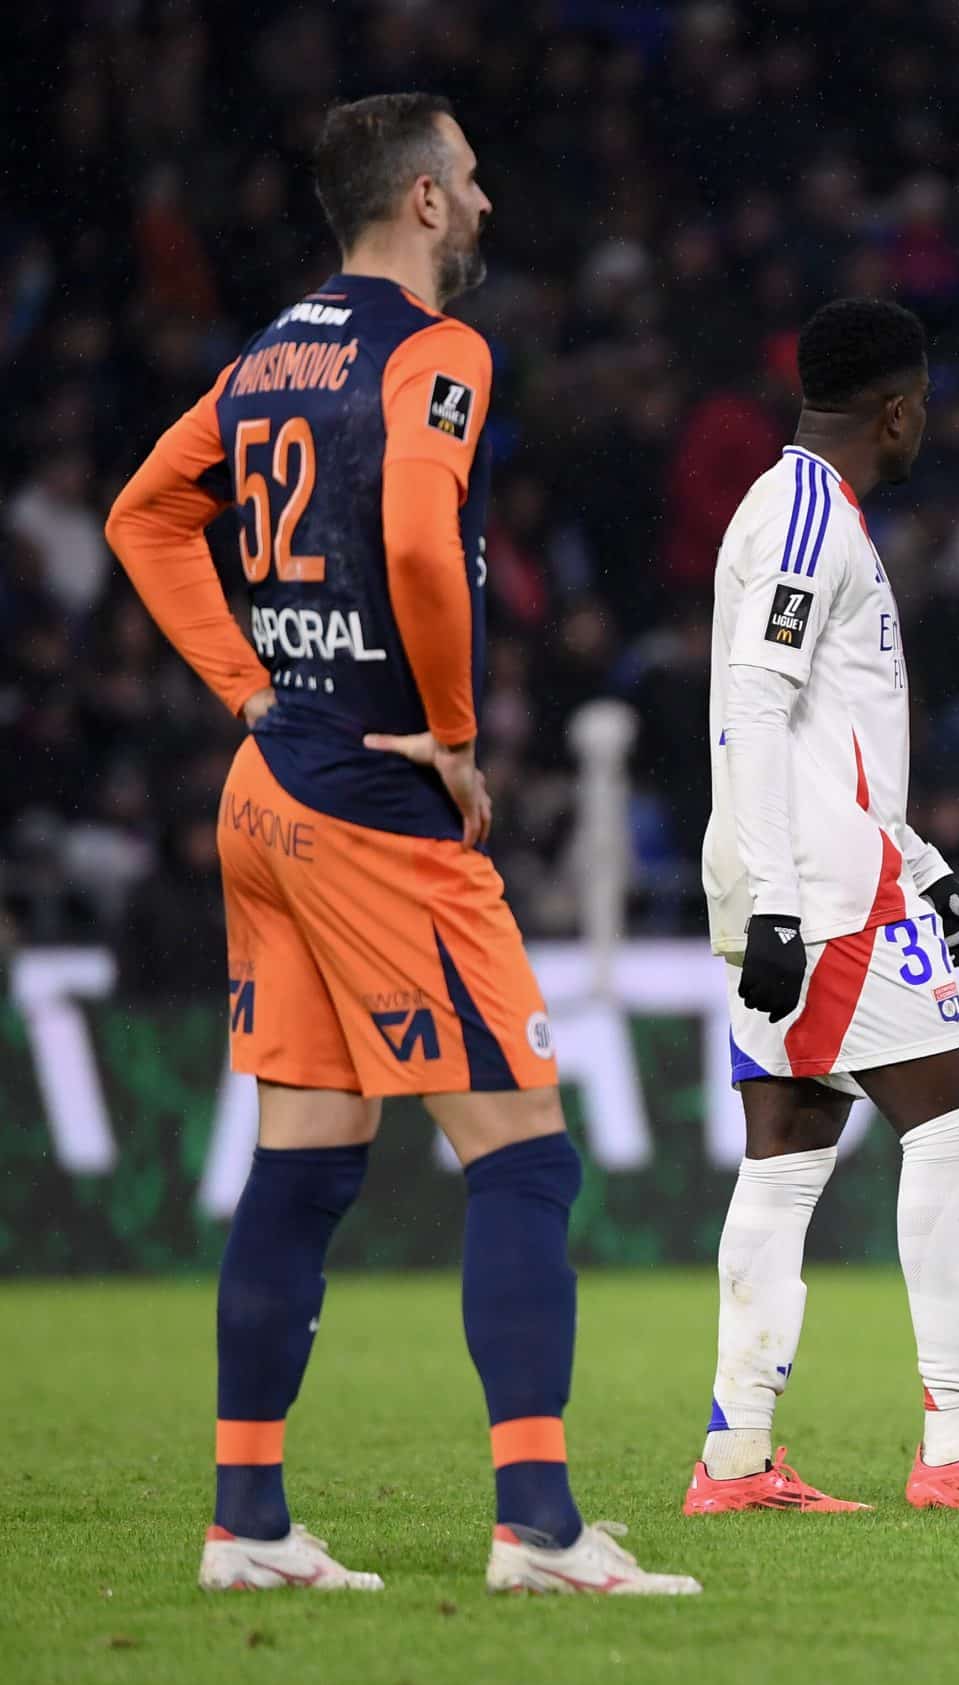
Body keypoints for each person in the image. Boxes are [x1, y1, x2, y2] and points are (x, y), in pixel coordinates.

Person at [104, 93, 696, 1594]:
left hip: (269, 795)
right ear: (424, 201)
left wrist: (244, 684)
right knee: (524, 1158)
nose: (488, 201)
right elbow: (426, 539)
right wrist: (452, 727)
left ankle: (245, 1519)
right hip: (377, 807)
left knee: (300, 1165)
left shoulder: (263, 359)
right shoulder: (439, 352)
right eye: (475, 178)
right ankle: (540, 1522)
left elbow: (143, 515)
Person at [684, 297, 959, 1514]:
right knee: (952, 1130)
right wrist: (776, 902)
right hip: (817, 897)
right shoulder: (814, 519)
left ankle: (737, 1462)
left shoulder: (786, 508)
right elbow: (755, 710)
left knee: (785, 1162)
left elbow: (828, 747)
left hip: (818, 877)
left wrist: (927, 869)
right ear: (897, 410)